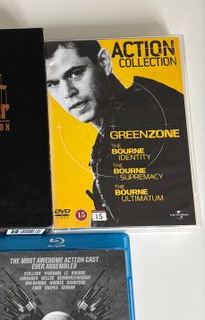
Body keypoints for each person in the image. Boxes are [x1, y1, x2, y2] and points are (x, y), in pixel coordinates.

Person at [45, 40, 194, 226]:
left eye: (75, 73)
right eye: (53, 83)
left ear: (104, 62)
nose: (67, 92)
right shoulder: (113, 130)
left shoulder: (148, 113)